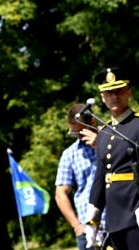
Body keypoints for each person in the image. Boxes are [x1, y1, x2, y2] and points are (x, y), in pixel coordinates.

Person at [85, 68, 139, 250]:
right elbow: (100, 180)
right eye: (109, 92)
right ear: (102, 97)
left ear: (129, 92)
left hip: (137, 213)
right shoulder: (103, 133)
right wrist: (92, 220)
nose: (114, 96)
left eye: (119, 90)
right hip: (114, 218)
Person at [56, 103, 105, 250]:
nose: (78, 136)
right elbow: (60, 194)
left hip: (117, 222)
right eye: (74, 133)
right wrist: (77, 226)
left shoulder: (113, 141)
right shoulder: (69, 154)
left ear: (93, 122)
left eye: (81, 131)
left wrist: (100, 145)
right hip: (88, 229)